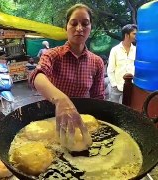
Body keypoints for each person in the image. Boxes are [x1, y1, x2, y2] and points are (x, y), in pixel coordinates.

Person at [29, 4, 105, 151]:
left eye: (85, 23)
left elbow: (98, 99)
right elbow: (37, 77)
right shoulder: (52, 55)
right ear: (66, 26)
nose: (79, 28)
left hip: (82, 123)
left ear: (91, 27)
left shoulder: (97, 62)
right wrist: (61, 100)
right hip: (53, 121)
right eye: (74, 23)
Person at [107, 24, 137, 104]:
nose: (136, 36)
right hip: (117, 87)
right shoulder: (115, 50)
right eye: (134, 34)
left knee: (129, 108)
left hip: (132, 87)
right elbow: (110, 70)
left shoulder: (136, 50)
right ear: (127, 35)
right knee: (114, 109)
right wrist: (114, 85)